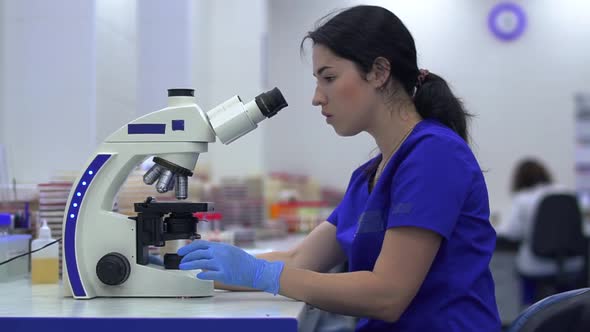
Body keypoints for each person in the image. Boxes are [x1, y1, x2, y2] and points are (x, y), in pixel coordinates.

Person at [177, 5, 500, 331]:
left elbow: (387, 295)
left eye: (329, 78)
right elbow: (299, 260)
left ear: (378, 72)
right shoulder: (368, 177)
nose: (317, 98)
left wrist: (264, 276)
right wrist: (181, 271)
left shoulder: (434, 155)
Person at [496, 158, 585, 306]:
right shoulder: (567, 193)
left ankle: (529, 317)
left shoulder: (523, 199)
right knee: (570, 306)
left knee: (530, 305)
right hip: (572, 264)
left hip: (536, 266)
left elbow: (512, 233)